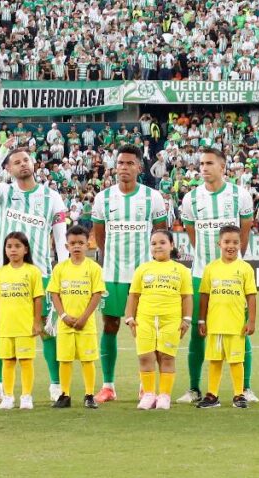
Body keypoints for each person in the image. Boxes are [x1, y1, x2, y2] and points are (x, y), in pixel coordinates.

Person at [0, 137, 68, 406]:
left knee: (48, 330)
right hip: (6, 272)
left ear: (34, 163)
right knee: (3, 330)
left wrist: (60, 275)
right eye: (16, 162)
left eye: (25, 159)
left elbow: (60, 239)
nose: (22, 164)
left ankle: (55, 385)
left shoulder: (52, 197)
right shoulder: (4, 192)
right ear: (9, 169)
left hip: (41, 273)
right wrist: (3, 150)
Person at [90, 144, 168, 404]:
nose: (124, 167)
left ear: (139, 167)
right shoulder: (102, 198)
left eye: (129, 163)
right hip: (112, 274)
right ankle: (108, 385)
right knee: (110, 325)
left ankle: (145, 386)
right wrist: (110, 257)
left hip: (143, 278)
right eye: (120, 163)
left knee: (144, 331)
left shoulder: (153, 198)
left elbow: (160, 234)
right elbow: (99, 236)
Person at [179, 147, 256, 404]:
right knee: (198, 331)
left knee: (240, 330)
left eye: (209, 163)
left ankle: (244, 388)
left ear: (222, 166)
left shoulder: (240, 195)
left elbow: (244, 231)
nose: (204, 168)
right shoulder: (190, 198)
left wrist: (235, 262)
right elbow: (192, 234)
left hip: (234, 275)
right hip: (202, 273)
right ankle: (194, 388)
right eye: (201, 163)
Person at [126, 230, 193, 410]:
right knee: (145, 357)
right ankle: (148, 394)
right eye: (154, 243)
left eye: (162, 242)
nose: (158, 246)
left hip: (171, 320)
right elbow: (133, 296)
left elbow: (187, 297)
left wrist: (186, 320)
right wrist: (130, 317)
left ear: (171, 245)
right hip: (145, 320)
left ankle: (164, 396)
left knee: (167, 357)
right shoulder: (143, 269)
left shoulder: (181, 270)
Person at [196, 225, 257, 409]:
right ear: (219, 244)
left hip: (235, 324)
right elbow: (204, 295)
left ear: (241, 244)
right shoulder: (211, 268)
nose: (231, 246)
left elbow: (251, 296)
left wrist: (251, 320)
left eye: (235, 242)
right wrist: (201, 319)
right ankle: (212, 395)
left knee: (236, 360)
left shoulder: (245, 269)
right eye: (227, 242)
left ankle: (239, 394)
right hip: (215, 324)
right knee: (214, 360)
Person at [47, 226, 105, 409]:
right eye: (73, 243)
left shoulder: (93, 268)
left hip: (85, 324)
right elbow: (54, 293)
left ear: (88, 244)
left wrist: (84, 318)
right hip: (65, 324)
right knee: (65, 359)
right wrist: (63, 315)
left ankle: (89, 395)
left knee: (88, 360)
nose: (77, 246)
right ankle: (65, 395)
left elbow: (97, 294)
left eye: (80, 243)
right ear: (66, 246)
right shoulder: (60, 268)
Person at [0, 232, 44, 410]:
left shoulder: (33, 271)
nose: (13, 250)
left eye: (17, 246)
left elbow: (38, 299)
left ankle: (26, 396)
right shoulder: (0, 273)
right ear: (4, 250)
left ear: (25, 249)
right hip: (6, 326)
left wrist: (36, 323)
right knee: (8, 361)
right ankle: (8, 396)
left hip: (25, 326)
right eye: (9, 246)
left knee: (26, 361)